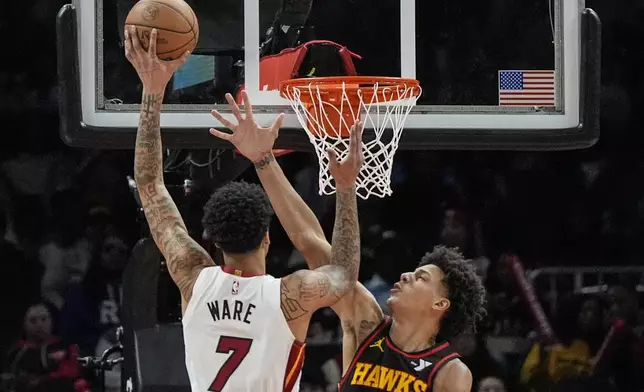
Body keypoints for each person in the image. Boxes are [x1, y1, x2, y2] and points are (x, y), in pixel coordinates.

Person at [123, 26, 364, 392]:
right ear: (266, 238)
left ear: (213, 238)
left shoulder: (193, 277)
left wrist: (152, 91)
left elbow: (151, 187)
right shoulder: (290, 296)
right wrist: (345, 190)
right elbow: (345, 273)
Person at [211, 96, 487, 392]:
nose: (406, 275)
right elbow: (310, 242)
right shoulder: (366, 323)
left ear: (441, 304)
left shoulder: (450, 372)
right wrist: (264, 160)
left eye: (421, 278)